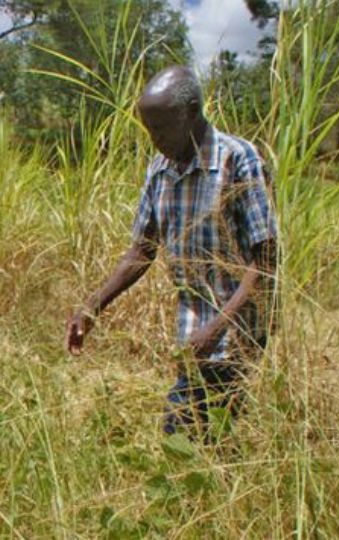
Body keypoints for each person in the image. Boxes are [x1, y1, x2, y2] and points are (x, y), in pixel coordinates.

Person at [65, 66, 278, 438]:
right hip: (193, 330)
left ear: (192, 111)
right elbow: (141, 251)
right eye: (149, 130)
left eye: (162, 128)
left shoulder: (237, 159)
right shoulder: (160, 169)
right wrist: (91, 306)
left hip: (237, 327)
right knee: (210, 436)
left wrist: (216, 328)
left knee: (181, 430)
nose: (155, 139)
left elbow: (267, 261)